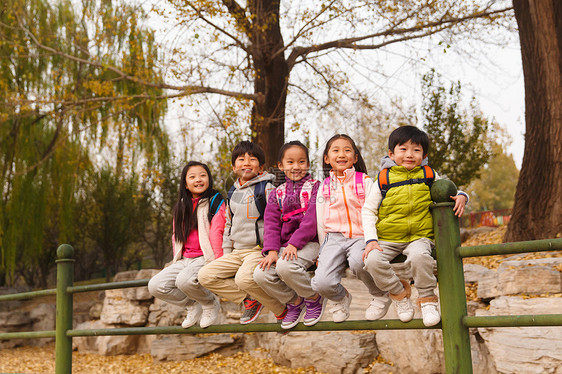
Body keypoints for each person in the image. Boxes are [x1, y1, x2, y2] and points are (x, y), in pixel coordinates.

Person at [362, 125, 468, 327]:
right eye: (403, 149)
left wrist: (463, 196)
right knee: (372, 260)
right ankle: (399, 293)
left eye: (416, 150)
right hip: (389, 237)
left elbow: (450, 189)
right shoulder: (383, 179)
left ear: (424, 155)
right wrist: (371, 240)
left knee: (420, 257)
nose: (409, 154)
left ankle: (427, 300)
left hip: (419, 236)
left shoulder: (428, 175)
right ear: (391, 154)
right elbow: (368, 210)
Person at [198, 141, 287, 324]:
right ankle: (249, 299)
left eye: (252, 159)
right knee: (205, 276)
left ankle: (281, 310)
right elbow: (228, 226)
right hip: (237, 252)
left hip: (258, 250)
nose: (246, 163)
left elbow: (278, 221)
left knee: (244, 279)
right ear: (233, 167)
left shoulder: (268, 189)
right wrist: (226, 254)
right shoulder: (232, 192)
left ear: (261, 167)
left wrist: (275, 249)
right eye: (241, 159)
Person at [311, 134, 388, 323]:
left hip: (360, 235)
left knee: (358, 262)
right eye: (335, 150)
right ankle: (340, 297)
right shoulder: (325, 187)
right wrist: (322, 252)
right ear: (327, 159)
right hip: (333, 238)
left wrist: (373, 239)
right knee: (321, 282)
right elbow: (321, 220)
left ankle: (379, 294)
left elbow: (374, 212)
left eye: (347, 150)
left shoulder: (365, 181)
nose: (341, 154)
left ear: (355, 157)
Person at [253, 141, 325, 329]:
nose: (296, 167)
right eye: (290, 162)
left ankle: (313, 297)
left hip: (309, 243)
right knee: (260, 274)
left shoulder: (316, 187)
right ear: (281, 166)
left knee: (285, 267)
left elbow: (311, 220)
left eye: (301, 162)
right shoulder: (277, 193)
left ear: (308, 164)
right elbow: (271, 224)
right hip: (284, 246)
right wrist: (271, 250)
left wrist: (294, 244)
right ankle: (293, 302)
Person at [148, 161, 225, 329]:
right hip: (185, 258)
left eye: (203, 175)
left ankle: (210, 303)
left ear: (209, 179)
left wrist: (218, 261)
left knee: (184, 280)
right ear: (185, 184)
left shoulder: (215, 200)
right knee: (155, 286)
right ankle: (192, 304)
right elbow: (176, 235)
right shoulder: (181, 206)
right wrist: (177, 258)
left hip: (206, 257)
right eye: (192, 177)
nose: (198, 179)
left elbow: (218, 231)